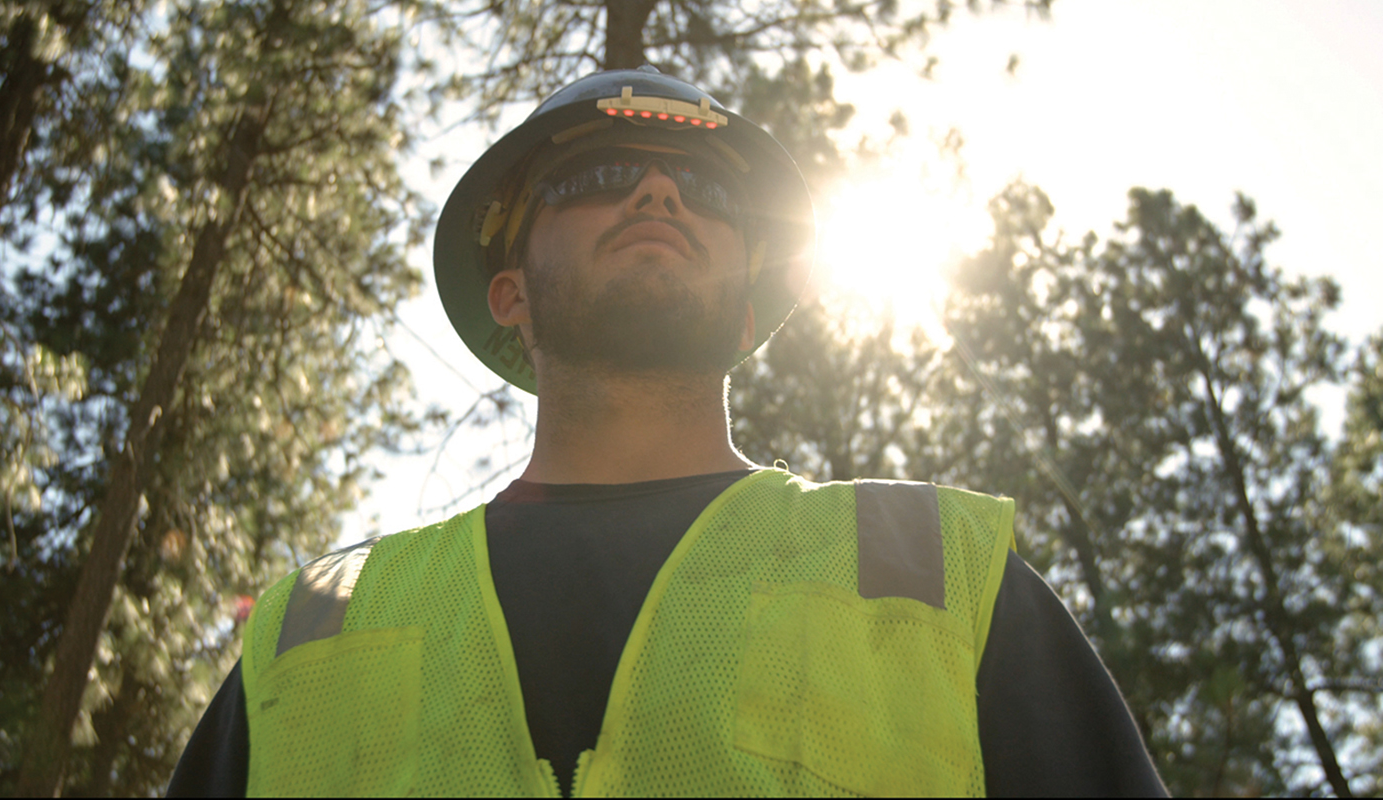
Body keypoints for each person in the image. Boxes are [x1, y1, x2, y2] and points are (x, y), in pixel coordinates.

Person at [168, 67, 1167, 797]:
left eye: (711, 190)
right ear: (508, 291)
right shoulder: (315, 634)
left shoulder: (933, 578)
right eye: (596, 173)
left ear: (745, 314)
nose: (661, 193)